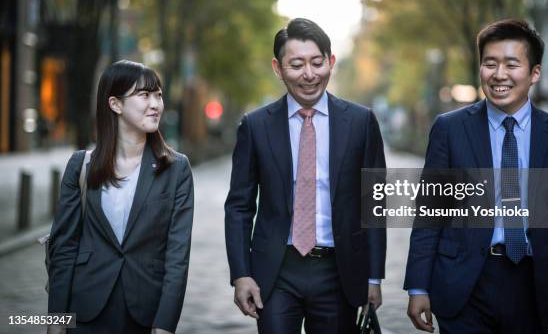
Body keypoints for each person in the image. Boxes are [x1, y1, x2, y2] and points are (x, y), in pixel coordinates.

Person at [404, 19, 548, 333]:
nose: (499, 74)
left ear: (534, 73)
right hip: (464, 283)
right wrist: (418, 286)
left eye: (512, 64)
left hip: (532, 284)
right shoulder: (450, 129)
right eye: (490, 64)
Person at [224, 18, 386, 333]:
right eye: (297, 64)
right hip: (275, 271)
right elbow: (239, 206)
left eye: (317, 62)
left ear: (331, 62)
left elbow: (375, 204)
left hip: (338, 271)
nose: (309, 74)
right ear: (278, 67)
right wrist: (241, 274)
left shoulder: (361, 122)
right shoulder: (255, 126)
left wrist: (373, 277)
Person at [48, 60, 194, 334]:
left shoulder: (177, 169)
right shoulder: (81, 166)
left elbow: (177, 257)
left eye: (158, 95)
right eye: (144, 95)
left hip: (144, 315)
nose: (155, 104)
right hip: (85, 314)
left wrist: (165, 325)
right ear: (115, 104)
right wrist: (54, 323)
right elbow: (64, 250)